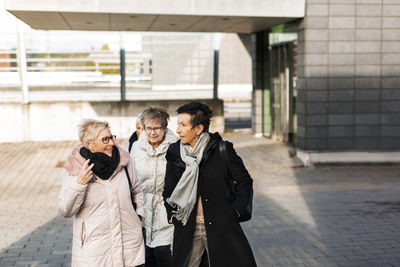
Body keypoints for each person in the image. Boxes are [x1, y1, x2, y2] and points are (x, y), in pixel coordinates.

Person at [163, 101, 257, 267]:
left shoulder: (221, 150)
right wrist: (172, 215)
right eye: (178, 124)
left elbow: (244, 182)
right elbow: (169, 189)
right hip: (187, 226)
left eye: (183, 125)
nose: (178, 130)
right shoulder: (174, 152)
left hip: (220, 226)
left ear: (198, 129)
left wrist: (234, 211)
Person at [58, 119, 146, 267]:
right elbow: (65, 210)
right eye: (105, 139)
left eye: (112, 137)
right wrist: (79, 185)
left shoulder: (124, 162)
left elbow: (137, 190)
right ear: (89, 144)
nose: (111, 143)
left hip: (129, 248)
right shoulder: (76, 168)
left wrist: (139, 215)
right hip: (95, 254)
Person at [131, 107, 176, 267]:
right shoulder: (137, 148)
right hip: (143, 212)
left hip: (166, 211)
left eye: (157, 128)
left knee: (164, 254)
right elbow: (131, 180)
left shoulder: (175, 148)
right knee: (147, 258)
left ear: (164, 128)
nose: (152, 132)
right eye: (149, 128)